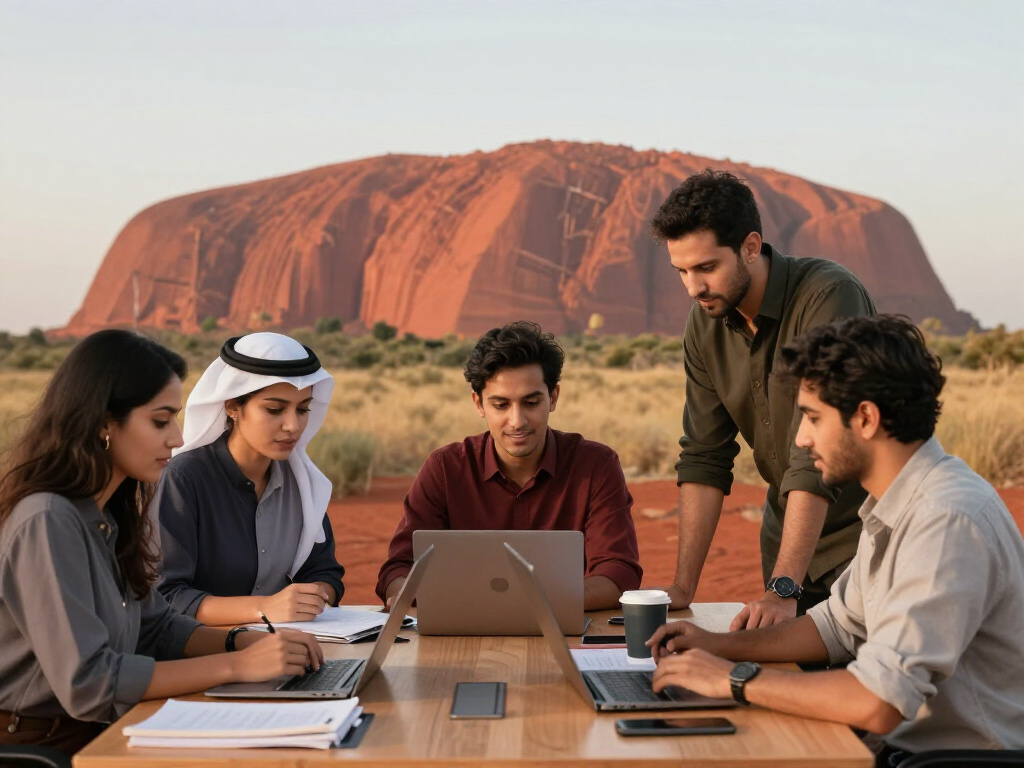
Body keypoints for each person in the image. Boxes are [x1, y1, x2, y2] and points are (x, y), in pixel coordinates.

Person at [647, 315, 1024, 762]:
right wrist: (714, 646)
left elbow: (878, 702)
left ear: (865, 417)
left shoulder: (945, 519)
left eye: (811, 417)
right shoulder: (899, 501)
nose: (802, 439)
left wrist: (732, 679)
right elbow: (837, 626)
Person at [0, 330, 323, 757]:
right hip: (45, 746)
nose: (175, 437)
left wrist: (243, 642)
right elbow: (91, 684)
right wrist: (236, 666)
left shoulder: (108, 513)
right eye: (160, 420)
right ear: (103, 423)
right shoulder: (48, 519)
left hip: (109, 725)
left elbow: (158, 626)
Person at [649, 169, 876, 629]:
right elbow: (705, 455)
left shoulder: (829, 296)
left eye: (707, 267)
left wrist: (781, 590)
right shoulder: (704, 323)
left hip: (863, 545)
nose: (694, 288)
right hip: (787, 549)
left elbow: (815, 454)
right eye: (682, 272)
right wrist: (681, 589)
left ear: (750, 247)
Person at [376, 321, 642, 610]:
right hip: (463, 635)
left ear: (553, 398)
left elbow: (618, 572)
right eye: (500, 405)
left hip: (563, 634)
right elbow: (399, 567)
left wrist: (516, 604)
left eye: (531, 402)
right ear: (478, 404)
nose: (517, 421)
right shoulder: (445, 468)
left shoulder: (596, 466)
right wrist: (404, 593)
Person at [155, 332, 345, 625]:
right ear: (232, 406)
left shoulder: (301, 481)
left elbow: (324, 572)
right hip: (201, 657)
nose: (293, 425)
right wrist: (264, 608)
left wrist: (312, 596)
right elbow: (166, 596)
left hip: (289, 649)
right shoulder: (184, 479)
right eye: (274, 409)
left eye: (303, 409)